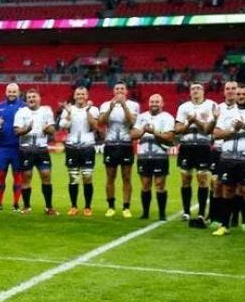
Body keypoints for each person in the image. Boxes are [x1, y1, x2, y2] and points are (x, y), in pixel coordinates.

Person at [212, 83, 245, 237]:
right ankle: (224, 225)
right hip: (227, 158)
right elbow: (216, 134)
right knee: (226, 190)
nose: (240, 96)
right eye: (239, 94)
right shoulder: (227, 112)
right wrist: (233, 130)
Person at [175, 82, 217, 225]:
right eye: (193, 89)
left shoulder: (211, 105)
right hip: (186, 146)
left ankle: (200, 214)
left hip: (203, 146)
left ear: (203, 91)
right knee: (185, 179)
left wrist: (195, 120)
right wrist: (188, 122)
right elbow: (177, 129)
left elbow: (209, 129)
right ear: (189, 92)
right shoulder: (183, 107)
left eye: (198, 88)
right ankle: (186, 212)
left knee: (202, 179)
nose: (195, 91)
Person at [131, 94, 175, 220]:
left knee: (160, 184)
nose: (154, 104)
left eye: (157, 101)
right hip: (143, 155)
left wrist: (154, 132)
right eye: (152, 101)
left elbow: (170, 137)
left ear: (162, 104)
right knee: (145, 184)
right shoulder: (141, 117)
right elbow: (133, 134)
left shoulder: (167, 117)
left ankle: (162, 214)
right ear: (149, 103)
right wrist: (143, 131)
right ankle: (145, 213)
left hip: (160, 155)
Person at [14, 89, 58, 215]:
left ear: (39, 98)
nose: (31, 99)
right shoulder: (21, 112)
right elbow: (16, 131)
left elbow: (52, 130)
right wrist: (27, 129)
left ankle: (49, 207)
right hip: (26, 149)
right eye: (29, 97)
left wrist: (48, 129)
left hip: (41, 149)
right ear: (26, 99)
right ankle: (27, 206)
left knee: (46, 175)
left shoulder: (46, 111)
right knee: (26, 177)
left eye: (34, 96)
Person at [99, 82, 139, 218]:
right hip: (111, 145)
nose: (119, 91)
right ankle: (111, 207)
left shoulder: (133, 105)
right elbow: (101, 122)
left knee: (126, 177)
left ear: (126, 91)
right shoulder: (105, 104)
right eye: (117, 88)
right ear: (113, 91)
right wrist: (111, 107)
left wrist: (124, 105)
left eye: (122, 88)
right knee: (110, 177)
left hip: (126, 144)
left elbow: (132, 122)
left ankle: (126, 207)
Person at [59, 87, 100, 216]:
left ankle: (88, 207)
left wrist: (87, 111)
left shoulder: (93, 109)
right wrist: (68, 113)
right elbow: (62, 126)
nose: (80, 96)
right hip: (72, 147)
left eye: (83, 94)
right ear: (74, 96)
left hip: (88, 146)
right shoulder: (69, 109)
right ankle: (74, 206)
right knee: (73, 178)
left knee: (87, 177)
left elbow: (95, 126)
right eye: (78, 94)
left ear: (87, 95)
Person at [0, 83, 26, 212]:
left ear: (18, 92)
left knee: (17, 176)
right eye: (9, 91)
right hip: (2, 148)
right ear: (6, 92)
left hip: (18, 148)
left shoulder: (24, 107)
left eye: (14, 92)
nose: (11, 94)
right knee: (1, 175)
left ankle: (16, 204)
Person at [210, 81, 239, 227]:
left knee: (236, 186)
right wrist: (214, 118)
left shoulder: (243, 108)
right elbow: (210, 130)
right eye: (228, 88)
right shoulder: (218, 108)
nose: (230, 91)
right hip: (218, 150)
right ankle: (215, 217)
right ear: (224, 91)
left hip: (236, 152)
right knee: (216, 184)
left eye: (233, 88)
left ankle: (234, 217)